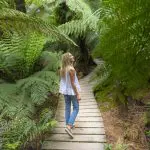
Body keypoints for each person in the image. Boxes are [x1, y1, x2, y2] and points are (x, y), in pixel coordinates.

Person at [59, 52, 81, 138]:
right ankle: (69, 126)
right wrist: (78, 94)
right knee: (76, 108)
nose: (73, 56)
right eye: (71, 56)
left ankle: (68, 124)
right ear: (68, 59)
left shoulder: (62, 69)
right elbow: (73, 83)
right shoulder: (71, 69)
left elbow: (63, 82)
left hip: (65, 91)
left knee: (67, 107)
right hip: (71, 91)